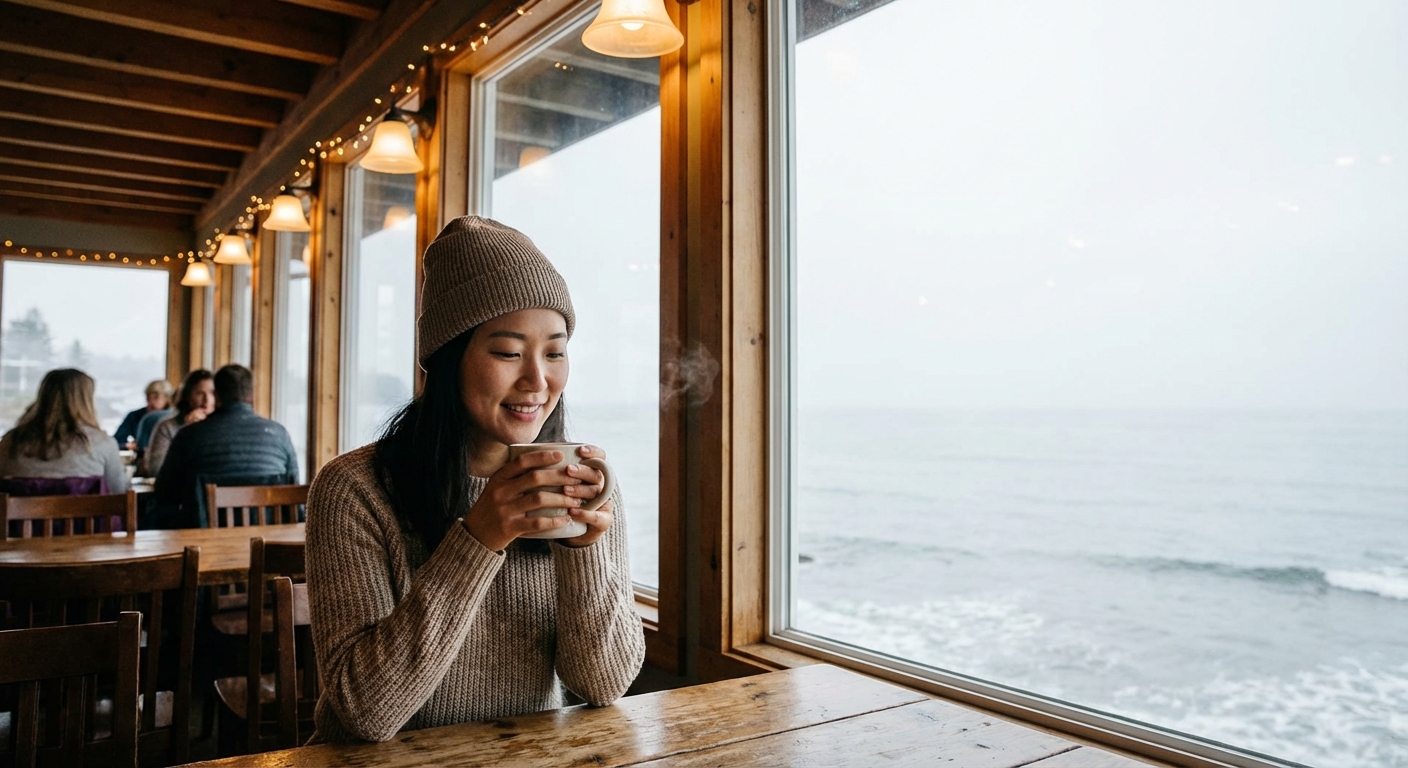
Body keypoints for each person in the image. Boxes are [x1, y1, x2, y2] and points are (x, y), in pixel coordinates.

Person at [305, 217, 643, 743]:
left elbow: (605, 684)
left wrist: (582, 552)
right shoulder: (354, 490)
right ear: (447, 359)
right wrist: (480, 537)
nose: (537, 380)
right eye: (508, 352)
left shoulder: (584, 483)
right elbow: (364, 713)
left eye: (554, 352)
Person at [152, 364, 299, 527]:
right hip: (269, 543)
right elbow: (294, 492)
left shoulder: (189, 435)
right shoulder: (280, 434)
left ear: (217, 396)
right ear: (252, 396)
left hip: (206, 546)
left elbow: (163, 493)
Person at [0, 368, 128, 493]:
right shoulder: (101, 443)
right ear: (86, 401)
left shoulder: (9, 442)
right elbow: (119, 491)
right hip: (84, 514)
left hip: (19, 514)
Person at [140, 369, 214, 477]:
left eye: (212, 393)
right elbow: (156, 470)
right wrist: (187, 430)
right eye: (199, 393)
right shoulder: (167, 427)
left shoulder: (222, 426)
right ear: (188, 396)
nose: (207, 399)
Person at [112, 379, 173, 449]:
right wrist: (127, 445)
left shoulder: (174, 417)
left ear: (167, 398)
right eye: (148, 398)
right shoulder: (135, 416)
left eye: (156, 398)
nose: (151, 402)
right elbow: (117, 440)